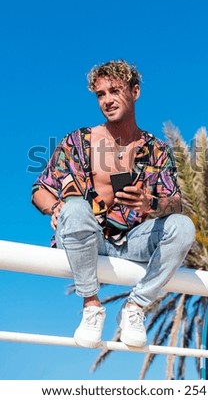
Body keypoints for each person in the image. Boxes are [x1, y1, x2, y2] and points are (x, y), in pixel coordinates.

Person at [31, 60, 195, 349]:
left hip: (134, 241)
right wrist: (55, 207)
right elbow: (40, 190)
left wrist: (151, 203)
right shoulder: (78, 142)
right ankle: (91, 306)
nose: (107, 100)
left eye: (115, 91)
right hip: (88, 237)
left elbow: (177, 204)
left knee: (182, 227)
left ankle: (135, 308)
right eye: (100, 94)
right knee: (75, 207)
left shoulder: (156, 150)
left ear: (135, 92)